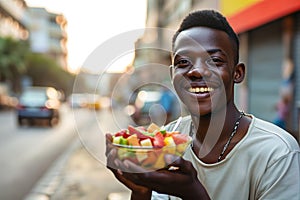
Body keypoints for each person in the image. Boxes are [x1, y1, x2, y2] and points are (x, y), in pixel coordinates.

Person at [106, 10, 300, 200]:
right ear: (173, 75)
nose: (196, 71)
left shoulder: (277, 153)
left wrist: (194, 195)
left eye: (215, 60)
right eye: (184, 62)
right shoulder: (166, 144)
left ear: (237, 73)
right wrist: (141, 192)